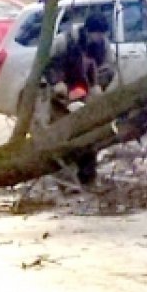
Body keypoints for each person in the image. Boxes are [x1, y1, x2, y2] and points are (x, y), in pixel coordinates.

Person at [44, 13, 115, 184]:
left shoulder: (103, 46)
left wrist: (99, 85)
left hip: (87, 94)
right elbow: (48, 65)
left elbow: (108, 68)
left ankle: (87, 177)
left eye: (102, 35)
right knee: (63, 134)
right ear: (89, 31)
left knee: (89, 135)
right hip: (62, 96)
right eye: (97, 34)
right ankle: (64, 180)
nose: (100, 38)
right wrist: (57, 82)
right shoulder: (64, 41)